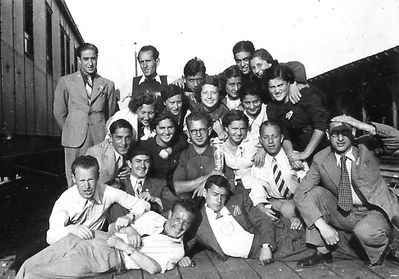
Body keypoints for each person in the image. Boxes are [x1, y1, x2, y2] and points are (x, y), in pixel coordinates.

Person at [294, 115, 399, 267]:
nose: (341, 138)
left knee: (365, 231)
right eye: (336, 134)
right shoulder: (321, 158)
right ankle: (322, 251)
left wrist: (362, 125)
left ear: (354, 133)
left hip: (373, 211)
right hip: (345, 212)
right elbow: (300, 193)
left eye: (345, 132)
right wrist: (323, 227)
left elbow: (396, 138)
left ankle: (386, 248)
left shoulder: (366, 146)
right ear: (329, 135)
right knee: (314, 193)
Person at [16, 199, 197, 278]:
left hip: (110, 256)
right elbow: (115, 227)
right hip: (98, 236)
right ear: (171, 214)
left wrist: (126, 247)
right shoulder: (153, 217)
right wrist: (128, 228)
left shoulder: (176, 249)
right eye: (178, 219)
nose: (179, 226)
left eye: (186, 223)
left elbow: (153, 268)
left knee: (39, 275)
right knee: (29, 265)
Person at [180, 175, 312, 267]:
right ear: (205, 193)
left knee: (318, 247)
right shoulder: (198, 220)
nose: (219, 200)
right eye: (214, 195)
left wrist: (266, 246)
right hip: (253, 253)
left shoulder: (238, 200)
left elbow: (263, 221)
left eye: (223, 196)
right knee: (313, 249)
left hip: (268, 239)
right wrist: (182, 257)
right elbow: (185, 242)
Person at [46, 155, 150, 245]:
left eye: (90, 180)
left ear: (98, 177)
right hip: (71, 244)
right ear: (73, 178)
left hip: (97, 244)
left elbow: (144, 204)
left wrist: (129, 216)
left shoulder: (107, 191)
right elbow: (50, 236)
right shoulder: (66, 200)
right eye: (81, 180)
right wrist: (71, 229)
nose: (86, 186)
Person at [53, 43, 116, 187]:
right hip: (74, 140)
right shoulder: (66, 82)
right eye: (86, 59)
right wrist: (71, 130)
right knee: (75, 181)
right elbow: (59, 112)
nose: (90, 63)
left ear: (97, 58)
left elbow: (110, 114)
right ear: (79, 60)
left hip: (99, 139)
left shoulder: (107, 84)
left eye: (93, 59)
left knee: (100, 179)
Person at [249, 121, 307, 230]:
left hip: (297, 202)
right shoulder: (258, 165)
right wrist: (263, 209)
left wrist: (300, 216)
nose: (270, 141)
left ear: (281, 138)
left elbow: (308, 189)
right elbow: (257, 193)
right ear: (260, 140)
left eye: (274, 136)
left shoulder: (294, 157)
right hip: (274, 203)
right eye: (266, 137)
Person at [266, 63, 329, 163]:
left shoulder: (305, 95)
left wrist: (305, 154)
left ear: (288, 83)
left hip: (321, 150)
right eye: (272, 87)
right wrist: (292, 156)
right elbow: (284, 136)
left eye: (280, 85)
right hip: (298, 153)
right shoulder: (272, 108)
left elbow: (320, 126)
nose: (277, 90)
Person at [137, 112, 189, 211]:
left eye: (170, 127)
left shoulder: (179, 143)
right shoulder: (146, 146)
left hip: (174, 188)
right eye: (162, 128)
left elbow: (183, 141)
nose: (166, 132)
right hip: (153, 189)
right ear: (155, 129)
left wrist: (171, 150)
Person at [108, 147, 166, 222]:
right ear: (129, 164)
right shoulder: (118, 186)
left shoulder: (160, 184)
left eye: (146, 162)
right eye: (138, 161)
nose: (142, 166)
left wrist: (155, 199)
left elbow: (171, 207)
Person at [173, 112, 220, 198]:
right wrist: (209, 177)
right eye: (194, 131)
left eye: (202, 130)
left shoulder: (217, 152)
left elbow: (226, 181)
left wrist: (205, 185)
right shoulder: (184, 155)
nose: (198, 135)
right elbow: (178, 187)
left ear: (209, 131)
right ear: (188, 133)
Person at [221, 110, 261, 192]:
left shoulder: (253, 139)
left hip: (256, 185)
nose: (238, 133)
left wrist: (263, 150)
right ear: (226, 128)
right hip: (235, 187)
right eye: (234, 129)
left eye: (242, 129)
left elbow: (271, 143)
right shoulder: (221, 144)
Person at [86, 119, 134, 187]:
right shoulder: (96, 154)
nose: (124, 143)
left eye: (127, 138)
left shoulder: (133, 150)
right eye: (119, 138)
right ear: (111, 137)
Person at [192, 75, 230, 140]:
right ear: (200, 94)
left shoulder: (225, 113)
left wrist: (222, 132)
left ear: (219, 94)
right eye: (205, 93)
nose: (209, 96)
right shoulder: (196, 111)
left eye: (214, 93)